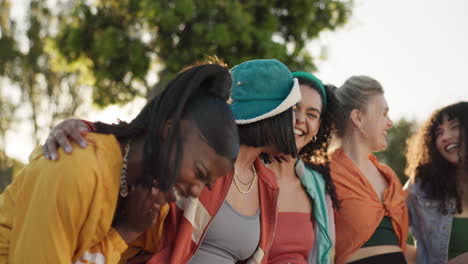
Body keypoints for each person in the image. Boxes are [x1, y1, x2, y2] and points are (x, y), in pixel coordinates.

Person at [41, 59, 302, 264]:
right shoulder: (196, 160)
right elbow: (136, 140)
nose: (301, 121)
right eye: (293, 111)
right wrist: (82, 128)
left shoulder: (267, 184)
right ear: (270, 116)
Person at [0, 64, 240, 263]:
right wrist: (125, 232)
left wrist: (130, 230)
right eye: (199, 173)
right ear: (170, 129)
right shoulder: (76, 169)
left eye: (206, 184)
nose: (196, 191)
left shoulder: (151, 208)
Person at [330, 76, 409, 264]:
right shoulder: (324, 172)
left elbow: (398, 249)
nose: (389, 122)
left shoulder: (388, 176)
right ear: (358, 117)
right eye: (383, 113)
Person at [267, 72, 338, 264]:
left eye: (311, 114)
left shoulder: (318, 186)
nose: (300, 119)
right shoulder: (249, 174)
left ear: (317, 127)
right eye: (293, 108)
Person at [405, 102, 468, 264]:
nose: (446, 136)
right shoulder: (420, 187)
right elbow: (388, 235)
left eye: (454, 127)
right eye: (439, 133)